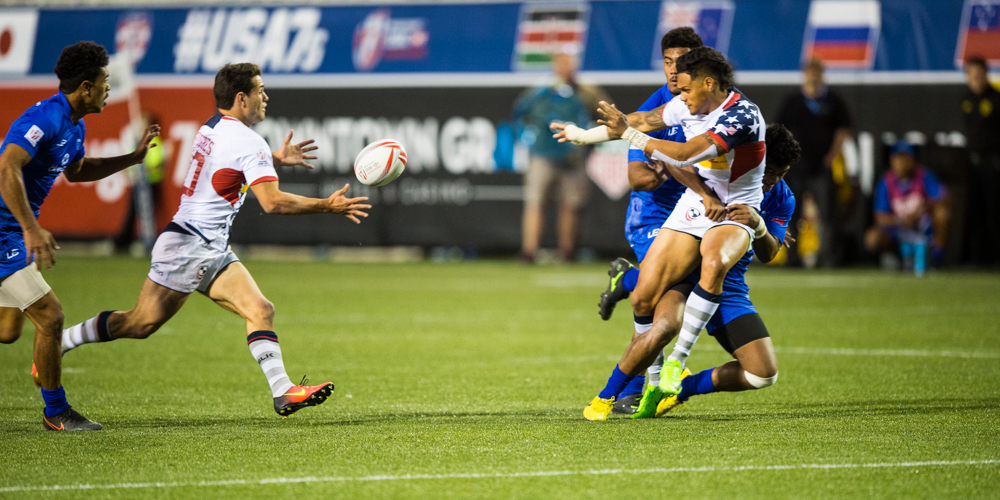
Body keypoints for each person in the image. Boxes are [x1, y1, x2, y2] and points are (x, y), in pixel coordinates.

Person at [46, 63, 371, 418]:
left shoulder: (213, 126)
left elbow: (227, 167)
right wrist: (328, 205)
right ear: (242, 98)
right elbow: (272, 203)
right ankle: (60, 343)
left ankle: (284, 391)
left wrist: (272, 158)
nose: (266, 96)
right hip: (189, 246)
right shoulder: (247, 141)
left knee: (261, 310)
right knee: (139, 324)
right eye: (260, 90)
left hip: (206, 245)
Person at [555, 47, 768, 414]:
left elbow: (686, 153)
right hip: (697, 204)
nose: (680, 98)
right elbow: (638, 121)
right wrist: (582, 136)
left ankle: (675, 364)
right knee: (644, 297)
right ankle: (653, 384)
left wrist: (628, 136)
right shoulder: (687, 105)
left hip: (734, 209)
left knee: (714, 260)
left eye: (686, 90)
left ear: (708, 83)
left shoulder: (741, 114)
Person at [0, 41, 160, 431]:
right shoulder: (47, 118)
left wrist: (132, 159)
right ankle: (56, 411)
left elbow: (78, 170)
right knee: (51, 317)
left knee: (7, 331)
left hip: (13, 235)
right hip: (5, 234)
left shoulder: (75, 125)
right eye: (104, 81)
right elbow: (7, 166)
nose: (109, 88)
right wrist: (31, 227)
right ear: (85, 87)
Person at [590, 124, 799, 420]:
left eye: (780, 173)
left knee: (763, 374)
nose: (772, 179)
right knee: (661, 326)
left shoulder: (782, 197)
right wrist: (633, 135)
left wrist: (759, 224)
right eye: (768, 170)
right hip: (687, 278)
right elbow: (679, 161)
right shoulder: (721, 173)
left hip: (730, 289)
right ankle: (610, 396)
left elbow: (769, 252)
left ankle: (681, 388)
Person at [596, 27, 703, 412]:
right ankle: (631, 391)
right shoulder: (655, 108)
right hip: (653, 217)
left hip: (694, 215)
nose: (674, 71)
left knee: (677, 292)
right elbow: (637, 177)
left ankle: (626, 277)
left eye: (682, 62)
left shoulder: (707, 107)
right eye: (667, 62)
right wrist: (669, 169)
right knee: (664, 291)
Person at [513, 49, 610, 262]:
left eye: (570, 63)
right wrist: (530, 138)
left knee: (571, 204)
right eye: (562, 63)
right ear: (555, 66)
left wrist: (590, 139)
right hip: (542, 154)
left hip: (573, 156)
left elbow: (608, 116)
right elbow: (520, 112)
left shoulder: (587, 90)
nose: (566, 67)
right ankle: (529, 250)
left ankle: (567, 252)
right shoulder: (540, 89)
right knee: (535, 201)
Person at [776, 57, 852, 268]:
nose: (813, 76)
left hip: (821, 166)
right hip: (796, 168)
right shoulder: (793, 101)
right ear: (805, 74)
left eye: (817, 72)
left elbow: (843, 129)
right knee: (791, 212)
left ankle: (827, 258)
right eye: (810, 72)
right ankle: (792, 259)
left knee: (827, 214)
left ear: (822, 75)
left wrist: (832, 155)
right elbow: (779, 131)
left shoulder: (832, 101)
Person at [864, 140, 949, 275]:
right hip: (899, 230)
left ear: (913, 160)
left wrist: (923, 207)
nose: (902, 163)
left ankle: (935, 257)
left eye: (905, 158)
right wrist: (901, 221)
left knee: (943, 213)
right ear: (892, 160)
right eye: (898, 158)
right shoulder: (887, 181)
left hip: (921, 227)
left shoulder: (923, 175)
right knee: (872, 238)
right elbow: (879, 216)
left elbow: (945, 198)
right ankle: (897, 258)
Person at [960, 57, 1000, 267]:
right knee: (974, 210)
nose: (976, 80)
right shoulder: (965, 100)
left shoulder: (996, 99)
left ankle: (995, 257)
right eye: (972, 76)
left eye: (980, 76)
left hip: (992, 162)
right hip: (971, 163)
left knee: (994, 209)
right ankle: (977, 258)